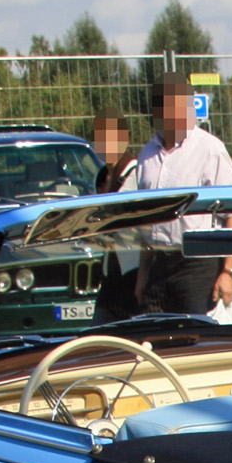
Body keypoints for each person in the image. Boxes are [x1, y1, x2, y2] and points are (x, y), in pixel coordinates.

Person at [127, 71, 232, 316]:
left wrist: (228, 272)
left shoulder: (210, 150)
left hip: (197, 265)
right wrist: (142, 275)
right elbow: (146, 221)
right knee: (153, 338)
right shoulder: (147, 154)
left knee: (195, 342)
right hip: (158, 264)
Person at [90, 109, 142, 324]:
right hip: (109, 273)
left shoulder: (136, 175)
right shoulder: (102, 177)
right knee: (98, 336)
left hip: (133, 272)